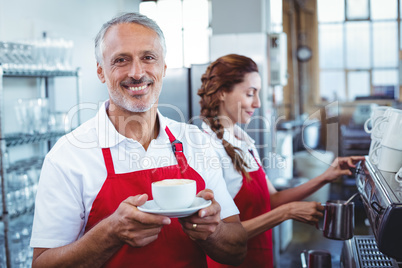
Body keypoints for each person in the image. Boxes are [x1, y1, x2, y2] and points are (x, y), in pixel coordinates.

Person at [30, 13, 247, 268]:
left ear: (164, 67)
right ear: (101, 71)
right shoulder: (69, 155)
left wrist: (214, 232)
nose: (136, 73)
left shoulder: (195, 141)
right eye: (121, 60)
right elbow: (42, 264)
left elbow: (238, 250)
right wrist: (109, 234)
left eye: (148, 58)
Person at [197, 54, 365, 268]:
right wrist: (288, 212)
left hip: (259, 258)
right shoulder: (208, 147)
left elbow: (272, 199)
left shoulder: (242, 139)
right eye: (250, 94)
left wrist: (325, 177)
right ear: (222, 93)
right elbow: (222, 233)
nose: (257, 103)